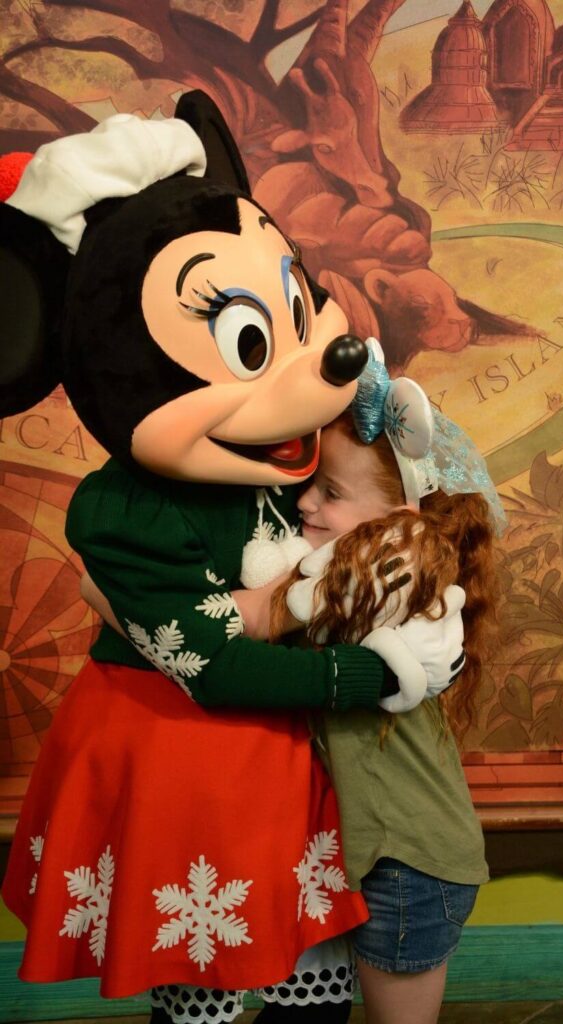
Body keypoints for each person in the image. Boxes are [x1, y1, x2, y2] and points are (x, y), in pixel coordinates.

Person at [0, 98, 465, 1024]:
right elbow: (213, 663)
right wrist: (372, 674)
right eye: (252, 342)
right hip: (184, 767)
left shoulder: (298, 457)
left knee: (311, 990)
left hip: (294, 769)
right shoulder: (127, 512)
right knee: (206, 997)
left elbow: (416, 508)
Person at [258, 341, 504, 1024]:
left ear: (398, 524)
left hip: (410, 867)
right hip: (384, 857)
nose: (305, 503)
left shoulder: (379, 579)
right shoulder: (365, 573)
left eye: (331, 493)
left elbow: (257, 617)